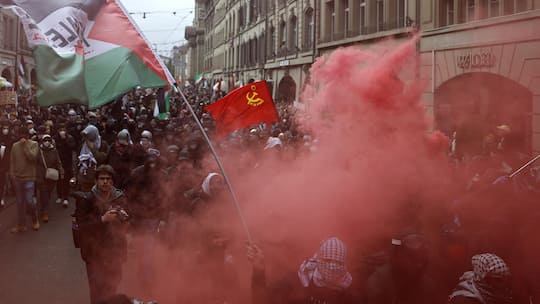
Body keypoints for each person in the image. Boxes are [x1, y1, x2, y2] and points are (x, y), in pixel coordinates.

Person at [72, 165, 129, 304]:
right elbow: (82, 227)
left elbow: (127, 225)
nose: (105, 182)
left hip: (114, 251)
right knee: (97, 290)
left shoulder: (120, 197)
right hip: (94, 252)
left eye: (108, 179)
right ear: (96, 181)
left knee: (112, 286)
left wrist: (126, 219)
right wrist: (102, 220)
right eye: (102, 179)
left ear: (112, 181)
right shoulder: (86, 200)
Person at [248, 237, 356, 304]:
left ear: (344, 264)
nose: (332, 266)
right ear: (318, 259)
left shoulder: (348, 295)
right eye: (328, 259)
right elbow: (262, 301)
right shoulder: (297, 281)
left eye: (338, 263)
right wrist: (258, 270)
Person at [10, 127, 39, 232]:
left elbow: (33, 157)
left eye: (25, 135)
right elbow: (12, 161)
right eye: (20, 134)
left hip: (29, 177)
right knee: (19, 202)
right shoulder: (14, 146)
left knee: (29, 200)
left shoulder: (34, 144)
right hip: (17, 178)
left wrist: (25, 145)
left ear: (28, 135)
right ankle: (21, 224)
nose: (22, 137)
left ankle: (35, 219)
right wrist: (12, 174)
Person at [36, 134, 64, 222]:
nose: (47, 142)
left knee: (48, 193)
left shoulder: (54, 151)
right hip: (41, 175)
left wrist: (61, 172)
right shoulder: (38, 151)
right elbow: (35, 163)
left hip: (51, 176)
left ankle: (43, 207)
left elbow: (58, 162)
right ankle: (45, 212)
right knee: (43, 192)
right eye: (45, 140)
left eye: (48, 140)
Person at [77, 125, 109, 191]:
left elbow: (102, 159)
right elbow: (78, 160)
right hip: (85, 177)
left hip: (98, 177)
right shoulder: (83, 145)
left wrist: (92, 149)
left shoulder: (103, 144)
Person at [54, 123, 77, 207]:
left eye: (63, 130)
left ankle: (66, 197)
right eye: (60, 130)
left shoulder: (70, 138)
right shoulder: (55, 138)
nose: (62, 131)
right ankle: (59, 195)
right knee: (59, 179)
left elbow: (73, 147)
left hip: (67, 162)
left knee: (67, 179)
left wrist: (65, 141)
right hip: (58, 162)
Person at [0, 119, 14, 207]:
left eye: (7, 128)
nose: (5, 130)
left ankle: (2, 197)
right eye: (4, 128)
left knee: (4, 181)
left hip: (7, 163)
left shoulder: (11, 138)